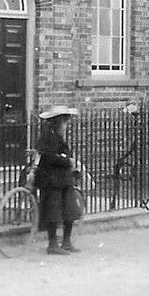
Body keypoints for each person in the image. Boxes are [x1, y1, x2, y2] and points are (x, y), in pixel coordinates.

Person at [35, 105, 84, 255]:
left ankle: (67, 242)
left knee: (70, 209)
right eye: (64, 121)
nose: (66, 125)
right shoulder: (47, 137)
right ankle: (52, 244)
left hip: (63, 179)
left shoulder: (59, 136)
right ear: (57, 122)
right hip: (51, 180)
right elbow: (49, 157)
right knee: (53, 212)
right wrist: (67, 161)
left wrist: (69, 162)